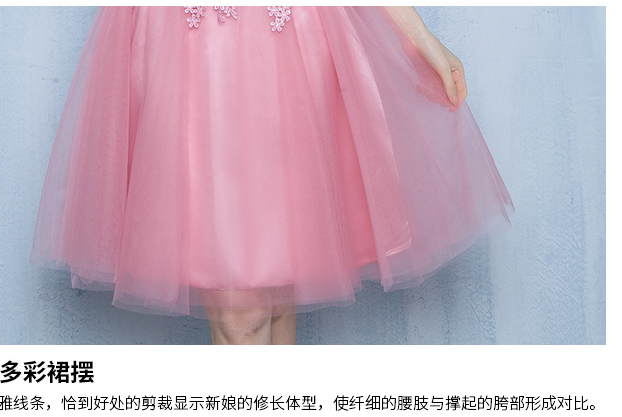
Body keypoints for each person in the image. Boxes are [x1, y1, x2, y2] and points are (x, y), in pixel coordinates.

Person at [30, 6, 514, 345]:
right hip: (194, 46)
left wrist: (419, 34)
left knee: (275, 303)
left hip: (290, 43)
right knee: (243, 313)